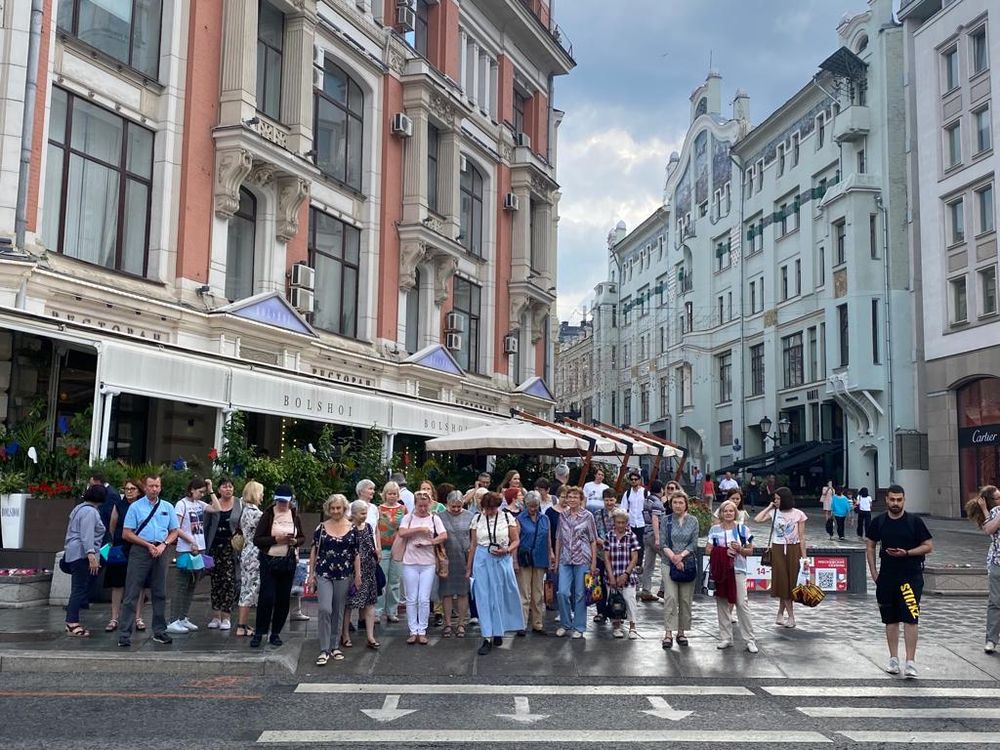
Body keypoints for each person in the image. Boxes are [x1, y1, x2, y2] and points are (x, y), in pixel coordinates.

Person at [866, 484, 933, 678]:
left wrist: (907, 553)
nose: (896, 503)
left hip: (910, 577)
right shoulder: (879, 522)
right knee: (890, 619)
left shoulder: (914, 522)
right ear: (886, 500)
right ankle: (893, 659)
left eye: (899, 499)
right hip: (887, 578)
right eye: (892, 499)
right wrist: (873, 571)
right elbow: (870, 545)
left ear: (904, 500)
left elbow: (928, 546)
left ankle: (910, 661)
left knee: (911, 618)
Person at [118, 474, 179, 647]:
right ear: (144, 487)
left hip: (161, 550)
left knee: (159, 592)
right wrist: (146, 545)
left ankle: (159, 630)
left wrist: (164, 545)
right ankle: (124, 633)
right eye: (151, 486)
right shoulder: (136, 507)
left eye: (157, 486)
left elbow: (174, 530)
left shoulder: (167, 506)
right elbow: (127, 533)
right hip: (140, 550)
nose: (154, 489)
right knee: (132, 592)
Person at [250, 484, 306, 648]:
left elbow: (302, 537)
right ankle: (260, 632)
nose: (282, 505)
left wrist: (295, 542)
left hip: (287, 562)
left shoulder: (295, 516)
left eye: (285, 502)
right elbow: (257, 540)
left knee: (283, 599)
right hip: (269, 560)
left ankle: (275, 633)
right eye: (279, 501)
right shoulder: (268, 515)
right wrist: (276, 539)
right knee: (267, 597)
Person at [468, 491, 524, 654]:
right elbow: (473, 545)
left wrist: (507, 550)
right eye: (487, 508)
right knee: (484, 597)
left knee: (499, 596)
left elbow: (516, 540)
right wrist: (468, 568)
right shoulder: (477, 519)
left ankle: (498, 630)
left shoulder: (507, 518)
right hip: (482, 558)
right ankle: (487, 636)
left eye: (493, 508)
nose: (490, 511)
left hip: (501, 559)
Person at [306, 495, 360, 665]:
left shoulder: (352, 528)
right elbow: (314, 551)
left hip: (344, 574)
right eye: (333, 508)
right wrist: (311, 574)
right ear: (328, 509)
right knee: (324, 609)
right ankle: (324, 648)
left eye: (339, 508)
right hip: (324, 573)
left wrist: (358, 576)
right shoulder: (321, 528)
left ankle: (334, 646)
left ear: (344, 509)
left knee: (338, 610)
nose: (336, 511)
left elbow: (356, 554)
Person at [167, 478, 221, 635]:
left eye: (203, 492)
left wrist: (211, 489)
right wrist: (190, 540)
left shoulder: (200, 504)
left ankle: (183, 616)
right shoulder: (181, 504)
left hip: (200, 548)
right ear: (192, 490)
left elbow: (216, 508)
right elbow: (176, 527)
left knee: (192, 584)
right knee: (181, 584)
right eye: (200, 491)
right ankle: (173, 619)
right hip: (186, 548)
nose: (202, 495)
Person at [707, 499, 757, 653]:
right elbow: (708, 549)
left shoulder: (743, 529)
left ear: (735, 513)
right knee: (721, 602)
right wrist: (722, 551)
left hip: (738, 570)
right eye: (725, 511)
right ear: (721, 513)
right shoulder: (714, 529)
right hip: (721, 570)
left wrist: (740, 549)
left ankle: (749, 639)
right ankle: (725, 637)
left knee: (742, 603)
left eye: (731, 511)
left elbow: (751, 551)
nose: (728, 513)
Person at [397, 490, 448, 644]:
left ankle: (422, 630)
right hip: (410, 562)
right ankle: (413, 630)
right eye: (420, 506)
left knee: (424, 598)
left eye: (426, 506)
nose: (423, 509)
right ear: (415, 505)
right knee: (411, 598)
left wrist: (430, 542)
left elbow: (444, 535)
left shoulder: (434, 518)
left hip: (428, 563)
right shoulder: (408, 518)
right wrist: (419, 529)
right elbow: (402, 532)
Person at [755, 487, 808, 629]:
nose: (775, 501)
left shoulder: (799, 514)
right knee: (782, 581)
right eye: (775, 498)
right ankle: (791, 616)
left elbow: (802, 537)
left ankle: (780, 613)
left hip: (793, 549)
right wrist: (769, 507)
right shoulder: (774, 512)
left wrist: (805, 558)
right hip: (778, 549)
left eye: (778, 499)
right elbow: (757, 519)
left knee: (791, 583)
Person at [554, 486, 598, 639]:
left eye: (574, 497)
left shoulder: (588, 516)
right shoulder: (562, 516)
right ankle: (566, 624)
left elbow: (593, 540)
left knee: (580, 594)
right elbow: (558, 538)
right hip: (565, 559)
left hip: (582, 559)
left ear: (581, 499)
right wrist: (556, 559)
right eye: (569, 497)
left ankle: (579, 626)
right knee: (562, 592)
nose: (571, 499)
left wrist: (593, 563)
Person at [101, 477, 143, 632]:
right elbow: (112, 526)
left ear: (139, 491)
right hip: (121, 546)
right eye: (127, 489)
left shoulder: (143, 505)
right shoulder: (119, 505)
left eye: (133, 489)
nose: (129, 492)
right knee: (117, 584)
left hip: (138, 546)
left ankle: (138, 618)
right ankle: (114, 617)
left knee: (138, 584)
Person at [63, 485, 106, 637]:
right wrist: (91, 555)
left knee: (78, 588)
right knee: (79, 589)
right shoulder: (90, 512)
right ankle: (72, 623)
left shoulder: (79, 508)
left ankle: (71, 621)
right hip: (81, 555)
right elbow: (87, 535)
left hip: (73, 553)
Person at [659, 490, 698, 649]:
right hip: (668, 562)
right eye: (675, 502)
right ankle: (668, 632)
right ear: (671, 503)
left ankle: (681, 632)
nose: (677, 505)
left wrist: (681, 556)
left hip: (687, 562)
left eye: (681, 502)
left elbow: (693, 544)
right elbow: (663, 544)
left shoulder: (693, 521)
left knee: (685, 599)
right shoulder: (666, 520)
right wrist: (674, 559)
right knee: (670, 598)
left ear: (686, 504)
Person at [204, 476, 242, 630]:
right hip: (214, 547)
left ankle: (226, 616)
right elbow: (206, 526)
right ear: (219, 489)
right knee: (215, 582)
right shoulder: (213, 504)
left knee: (229, 581)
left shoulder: (240, 504)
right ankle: (215, 616)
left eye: (230, 486)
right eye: (225, 487)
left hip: (231, 547)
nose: (228, 489)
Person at [514, 491, 553, 635]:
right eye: (530, 506)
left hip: (540, 558)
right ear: (526, 505)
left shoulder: (545, 519)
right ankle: (522, 625)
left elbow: (548, 539)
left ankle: (537, 624)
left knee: (538, 594)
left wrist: (551, 556)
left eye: (535, 506)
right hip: (525, 559)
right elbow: (516, 540)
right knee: (525, 594)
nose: (533, 508)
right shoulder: (519, 519)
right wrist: (515, 561)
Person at [968, 486, 1000, 653]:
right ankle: (991, 640)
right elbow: (989, 530)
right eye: (997, 498)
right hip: (997, 562)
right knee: (995, 602)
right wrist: (986, 511)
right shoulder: (995, 513)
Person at [438, 490, 474, 638]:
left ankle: (461, 623)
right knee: (446, 592)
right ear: (447, 503)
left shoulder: (470, 516)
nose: (456, 509)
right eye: (453, 506)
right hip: (446, 558)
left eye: (459, 506)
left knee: (463, 592)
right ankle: (447, 624)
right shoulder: (439, 517)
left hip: (463, 557)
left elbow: (473, 539)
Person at [346, 498, 381, 650]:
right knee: (348, 604)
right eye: (362, 513)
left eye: (366, 513)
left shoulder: (367, 527)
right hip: (353, 572)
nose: (364, 516)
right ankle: (345, 635)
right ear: (353, 514)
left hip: (369, 570)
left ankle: (370, 636)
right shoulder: (348, 528)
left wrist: (376, 553)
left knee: (370, 603)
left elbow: (370, 544)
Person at [604, 508, 640, 639]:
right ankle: (616, 625)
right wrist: (611, 575)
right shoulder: (609, 536)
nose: (620, 525)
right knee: (614, 601)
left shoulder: (632, 536)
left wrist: (626, 573)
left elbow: (635, 557)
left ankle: (633, 626)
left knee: (630, 599)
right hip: (612, 573)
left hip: (628, 574)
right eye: (618, 522)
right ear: (614, 522)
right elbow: (606, 557)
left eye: (623, 522)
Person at [235, 481, 264, 637]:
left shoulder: (245, 510)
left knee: (246, 588)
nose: (262, 496)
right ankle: (241, 626)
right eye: (261, 492)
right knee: (250, 589)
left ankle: (243, 624)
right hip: (255, 553)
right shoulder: (256, 513)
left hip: (247, 551)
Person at [377, 481, 406, 624]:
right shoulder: (378, 509)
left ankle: (392, 611)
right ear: (384, 494)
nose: (392, 496)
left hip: (398, 547)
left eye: (394, 493)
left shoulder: (403, 509)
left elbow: (404, 527)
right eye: (389, 493)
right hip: (383, 548)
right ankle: (377, 612)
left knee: (395, 581)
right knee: (382, 580)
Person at [592, 488, 618, 623]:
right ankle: (600, 611)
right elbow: (593, 532)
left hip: (616, 554)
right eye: (607, 500)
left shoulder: (621, 514)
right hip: (600, 553)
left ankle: (615, 610)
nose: (609, 503)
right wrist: (600, 541)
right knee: (599, 582)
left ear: (616, 500)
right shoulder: (596, 514)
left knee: (615, 583)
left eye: (611, 500)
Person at [638, 480, 665, 601]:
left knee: (648, 564)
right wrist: (658, 537)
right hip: (655, 534)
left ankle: (646, 590)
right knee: (667, 560)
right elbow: (655, 519)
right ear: (661, 489)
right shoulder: (657, 502)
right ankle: (663, 589)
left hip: (646, 533)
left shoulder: (647, 500)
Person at [619, 470, 648, 572]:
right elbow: (623, 508)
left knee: (640, 543)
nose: (634, 481)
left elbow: (649, 506)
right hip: (631, 522)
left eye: (636, 479)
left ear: (639, 480)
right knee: (630, 542)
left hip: (641, 521)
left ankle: (639, 563)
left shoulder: (645, 492)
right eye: (632, 480)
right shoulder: (627, 493)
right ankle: (630, 561)